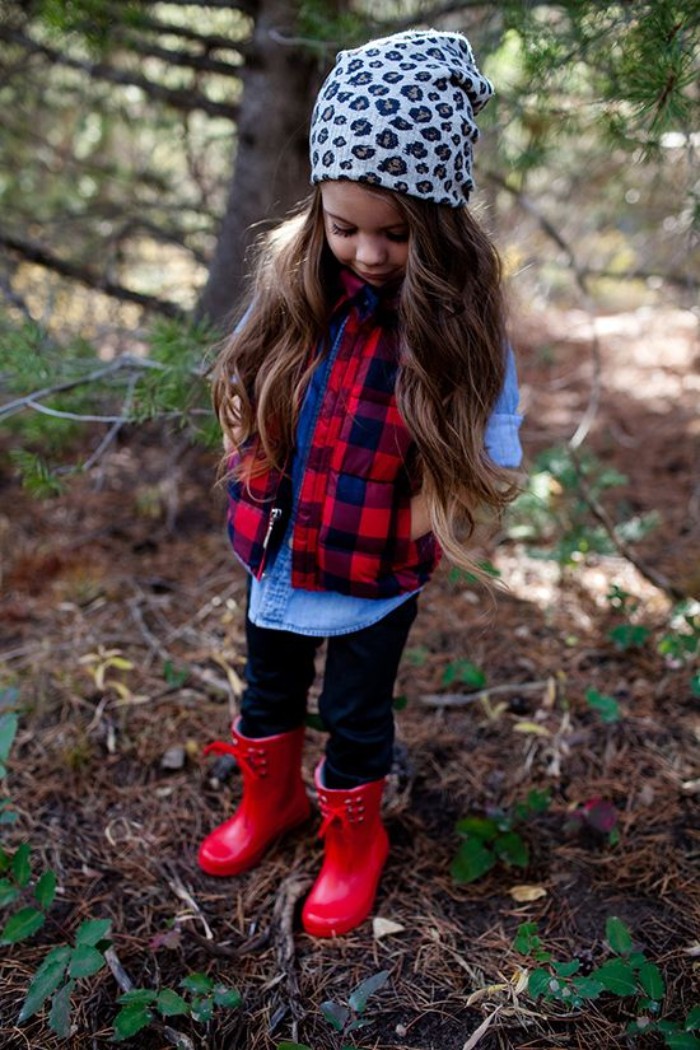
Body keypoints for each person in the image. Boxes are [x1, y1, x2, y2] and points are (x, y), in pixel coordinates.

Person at [198, 29, 523, 938]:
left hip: (378, 566)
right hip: (281, 545)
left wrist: (424, 510)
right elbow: (242, 373)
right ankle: (271, 802)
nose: (369, 253)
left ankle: (354, 840)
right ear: (319, 210)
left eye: (396, 233)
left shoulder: (462, 324)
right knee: (268, 688)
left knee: (355, 708)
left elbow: (496, 437)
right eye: (346, 228)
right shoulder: (299, 282)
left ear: (440, 222)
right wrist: (250, 446)